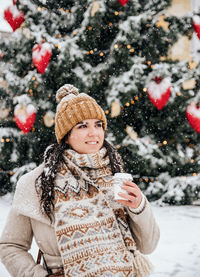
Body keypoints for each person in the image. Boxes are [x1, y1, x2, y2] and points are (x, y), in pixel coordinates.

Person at [0, 84, 160, 277]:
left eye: (98, 124)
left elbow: (148, 246)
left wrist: (138, 206)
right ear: (66, 136)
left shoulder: (115, 175)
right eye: (82, 125)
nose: (94, 133)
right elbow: (10, 246)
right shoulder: (37, 183)